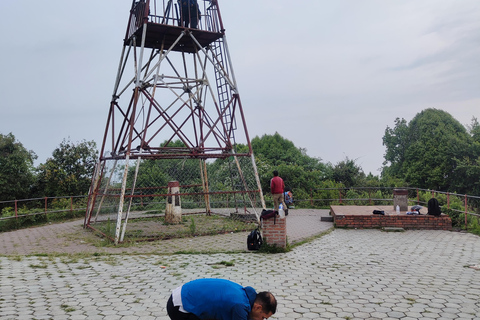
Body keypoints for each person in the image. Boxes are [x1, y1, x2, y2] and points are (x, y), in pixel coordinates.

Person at [166, 278, 277, 320]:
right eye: (263, 318)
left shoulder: (245, 295)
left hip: (182, 295)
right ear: (258, 307)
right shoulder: (240, 307)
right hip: (180, 307)